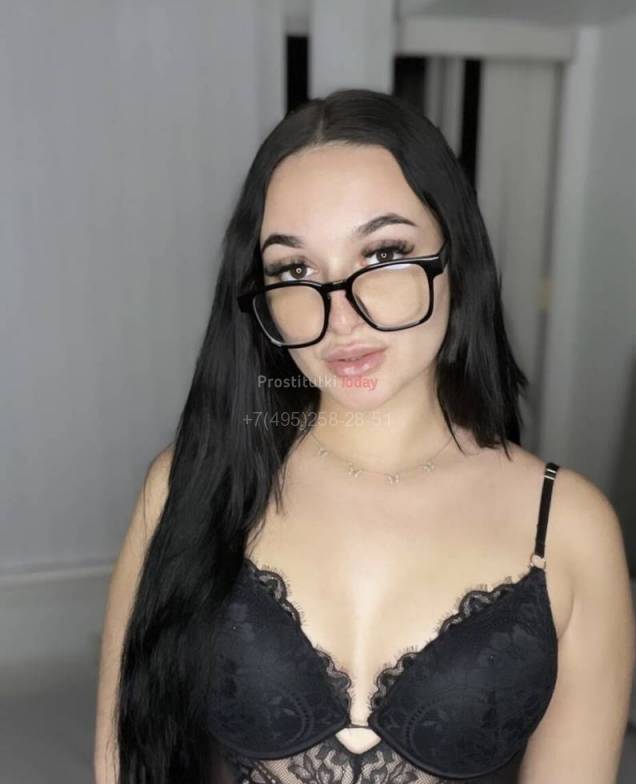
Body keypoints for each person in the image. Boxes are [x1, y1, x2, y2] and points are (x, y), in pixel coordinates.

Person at [94, 88, 635, 784]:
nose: (341, 316)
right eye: (295, 270)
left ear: (457, 258)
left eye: (382, 254)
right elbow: (126, 761)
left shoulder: (568, 528)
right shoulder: (187, 487)